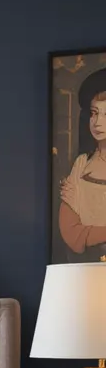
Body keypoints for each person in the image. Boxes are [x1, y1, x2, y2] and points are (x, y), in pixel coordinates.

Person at [60, 70, 106, 259]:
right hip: (85, 266)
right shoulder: (82, 164)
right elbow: (72, 232)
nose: (97, 122)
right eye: (94, 113)